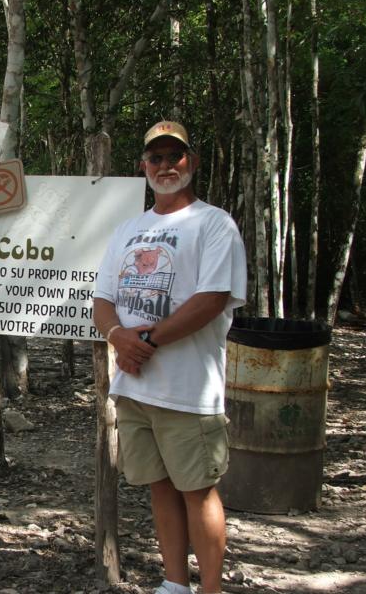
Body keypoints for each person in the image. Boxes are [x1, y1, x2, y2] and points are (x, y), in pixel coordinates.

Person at [93, 121, 247, 594]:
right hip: (135, 386)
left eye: (174, 156)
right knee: (160, 486)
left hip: (187, 386)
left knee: (197, 490)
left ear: (191, 163)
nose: (165, 165)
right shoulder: (128, 229)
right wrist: (120, 337)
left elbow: (212, 298)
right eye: (155, 158)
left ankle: (212, 588)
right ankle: (175, 583)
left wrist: (147, 342)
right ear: (143, 167)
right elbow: (102, 300)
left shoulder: (214, 223)